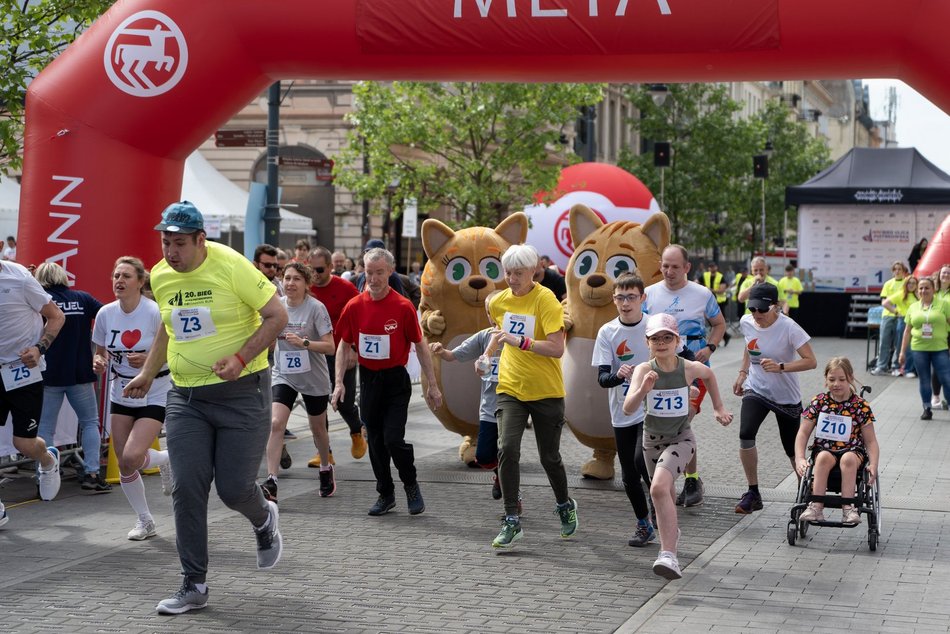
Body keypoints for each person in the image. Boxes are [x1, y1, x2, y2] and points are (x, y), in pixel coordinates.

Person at [124, 201, 288, 615]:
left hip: (242, 393)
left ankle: (264, 517)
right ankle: (193, 584)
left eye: (180, 243)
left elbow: (277, 315)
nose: (171, 252)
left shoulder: (232, 265)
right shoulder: (160, 276)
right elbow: (167, 323)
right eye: (165, 242)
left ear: (201, 240)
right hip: (186, 398)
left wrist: (239, 358)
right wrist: (148, 371)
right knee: (186, 488)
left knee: (234, 489)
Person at [331, 247, 441, 517]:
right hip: (369, 380)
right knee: (377, 442)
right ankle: (385, 493)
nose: (374, 278)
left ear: (390, 272)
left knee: (393, 438)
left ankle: (411, 484)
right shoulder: (355, 306)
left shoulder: (402, 307)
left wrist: (433, 385)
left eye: (379, 272)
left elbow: (421, 345)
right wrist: (339, 383)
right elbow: (344, 346)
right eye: (369, 272)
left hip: (395, 380)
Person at [623, 313, 732, 580]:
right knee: (665, 498)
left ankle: (668, 555)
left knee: (658, 487)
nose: (661, 343)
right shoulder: (643, 370)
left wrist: (718, 407)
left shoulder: (688, 367)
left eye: (667, 337)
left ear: (677, 340)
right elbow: (628, 409)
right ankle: (672, 535)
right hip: (651, 442)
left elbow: (709, 375)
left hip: (681, 439)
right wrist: (643, 389)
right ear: (647, 342)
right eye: (655, 338)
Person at [487, 244, 577, 549]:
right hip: (511, 387)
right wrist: (485, 356)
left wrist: (521, 341)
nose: (512, 279)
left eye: (518, 273)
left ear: (533, 270)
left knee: (549, 458)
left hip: (546, 391)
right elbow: (498, 337)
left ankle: (565, 505)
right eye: (508, 272)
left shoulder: (546, 301)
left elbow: (556, 348)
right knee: (507, 448)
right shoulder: (498, 302)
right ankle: (511, 518)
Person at [92, 256, 173, 539]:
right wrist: (99, 361)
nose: (119, 281)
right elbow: (100, 351)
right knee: (125, 463)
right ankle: (145, 520)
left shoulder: (154, 312)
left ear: (140, 282)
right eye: (116, 275)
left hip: (155, 390)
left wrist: (150, 361)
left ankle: (165, 458)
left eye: (126, 276)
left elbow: (173, 353)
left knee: (133, 455)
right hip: (120, 391)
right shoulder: (105, 314)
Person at [644, 244, 727, 507]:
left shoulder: (702, 294)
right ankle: (664, 475)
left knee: (684, 421)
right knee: (663, 421)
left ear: (687, 267)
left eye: (675, 267)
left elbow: (719, 324)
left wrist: (710, 347)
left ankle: (691, 479)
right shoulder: (648, 294)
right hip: (659, 370)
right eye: (665, 266)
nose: (669, 271)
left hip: (691, 369)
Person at [732, 283, 816, 514]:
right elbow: (749, 347)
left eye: (762, 309)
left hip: (786, 397)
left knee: (792, 450)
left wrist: (782, 367)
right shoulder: (747, 322)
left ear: (775, 306)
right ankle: (753, 492)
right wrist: (742, 373)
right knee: (746, 433)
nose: (756, 315)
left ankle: (805, 494)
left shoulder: (789, 328)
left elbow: (811, 361)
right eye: (752, 309)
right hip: (756, 388)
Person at [261, 262, 337, 502]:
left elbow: (330, 346)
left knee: (318, 430)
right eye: (287, 278)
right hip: (284, 374)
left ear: (306, 284)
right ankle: (271, 480)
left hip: (313, 377)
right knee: (275, 423)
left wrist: (304, 343)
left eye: (296, 279)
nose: (290, 283)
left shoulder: (316, 308)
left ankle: (325, 467)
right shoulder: (278, 307)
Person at [34, 262, 110, 493]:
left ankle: (44, 477)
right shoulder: (82, 298)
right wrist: (101, 351)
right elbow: (107, 315)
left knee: (45, 428)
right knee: (89, 423)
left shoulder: (39, 300)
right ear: (63, 276)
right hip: (80, 374)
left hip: (48, 375)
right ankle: (92, 473)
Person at [593, 273, 656, 546]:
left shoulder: (655, 326)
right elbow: (603, 380)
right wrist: (619, 375)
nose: (625, 303)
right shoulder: (607, 332)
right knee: (629, 473)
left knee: (643, 461)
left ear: (643, 298)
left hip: (653, 409)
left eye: (631, 297)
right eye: (620, 297)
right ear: (614, 299)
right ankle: (644, 523)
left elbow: (681, 358)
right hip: (623, 411)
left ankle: (660, 507)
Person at [0, 258, 65, 512]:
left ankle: (47, 460)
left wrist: (40, 349)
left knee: (23, 444)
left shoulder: (21, 279)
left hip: (22, 371)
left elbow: (57, 317)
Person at [429, 291, 504, 501]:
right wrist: (441, 350)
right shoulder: (484, 336)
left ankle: (512, 497)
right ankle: (499, 472)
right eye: (490, 312)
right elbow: (455, 355)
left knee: (509, 452)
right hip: (490, 407)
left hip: (514, 405)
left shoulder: (518, 335)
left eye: (498, 310)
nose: (493, 315)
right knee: (484, 456)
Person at [796, 357, 880, 525]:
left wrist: (874, 465)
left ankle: (848, 509)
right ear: (826, 380)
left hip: (853, 451)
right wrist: (800, 458)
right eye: (832, 379)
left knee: (848, 458)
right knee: (822, 457)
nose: (837, 384)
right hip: (825, 450)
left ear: (850, 378)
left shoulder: (860, 405)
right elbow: (803, 433)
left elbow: (871, 441)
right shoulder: (819, 402)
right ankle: (816, 507)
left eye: (842, 379)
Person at [306, 246, 364, 467]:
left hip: (342, 353)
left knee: (344, 403)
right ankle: (324, 452)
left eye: (319, 269)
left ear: (331, 267)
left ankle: (357, 430)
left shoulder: (346, 289)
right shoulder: (306, 289)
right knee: (318, 402)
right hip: (316, 354)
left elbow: (361, 319)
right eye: (310, 270)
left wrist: (354, 350)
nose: (315, 275)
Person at [897, 276, 950, 420]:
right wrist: (902, 352)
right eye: (921, 288)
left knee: (946, 378)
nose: (923, 290)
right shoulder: (913, 307)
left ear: (933, 289)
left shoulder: (944, 304)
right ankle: (927, 408)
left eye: (927, 287)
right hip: (919, 349)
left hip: (940, 348)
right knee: (924, 380)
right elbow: (907, 331)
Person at [871, 261, 907, 376]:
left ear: (903, 271)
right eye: (895, 269)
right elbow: (884, 302)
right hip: (887, 316)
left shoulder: (907, 283)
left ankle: (896, 367)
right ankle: (881, 366)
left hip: (902, 317)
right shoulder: (888, 284)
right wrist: (895, 311)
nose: (897, 271)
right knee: (884, 343)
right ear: (893, 271)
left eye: (899, 269)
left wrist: (900, 313)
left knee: (899, 343)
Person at [882, 275, 919, 378]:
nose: (911, 285)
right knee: (900, 346)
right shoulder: (901, 294)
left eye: (914, 283)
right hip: (903, 321)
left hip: (916, 323)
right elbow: (885, 303)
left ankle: (909, 369)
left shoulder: (918, 295)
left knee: (912, 347)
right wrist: (896, 312)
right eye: (909, 283)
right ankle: (896, 367)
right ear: (906, 284)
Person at [700, 261, 730, 345]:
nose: (711, 268)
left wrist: (710, 289)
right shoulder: (705, 275)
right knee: (712, 322)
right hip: (709, 302)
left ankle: (720, 339)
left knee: (719, 322)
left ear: (716, 267)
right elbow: (696, 282)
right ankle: (725, 337)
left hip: (720, 302)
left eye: (713, 266)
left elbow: (722, 290)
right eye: (710, 267)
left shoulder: (721, 276)